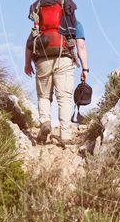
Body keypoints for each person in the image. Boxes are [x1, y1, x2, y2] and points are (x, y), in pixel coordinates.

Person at [25, 19, 89, 147]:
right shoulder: (74, 22)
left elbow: (29, 44)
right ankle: (65, 136)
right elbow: (81, 47)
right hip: (64, 59)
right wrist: (85, 68)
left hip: (42, 60)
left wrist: (27, 64)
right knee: (64, 98)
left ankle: (45, 122)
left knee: (43, 96)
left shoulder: (42, 21)